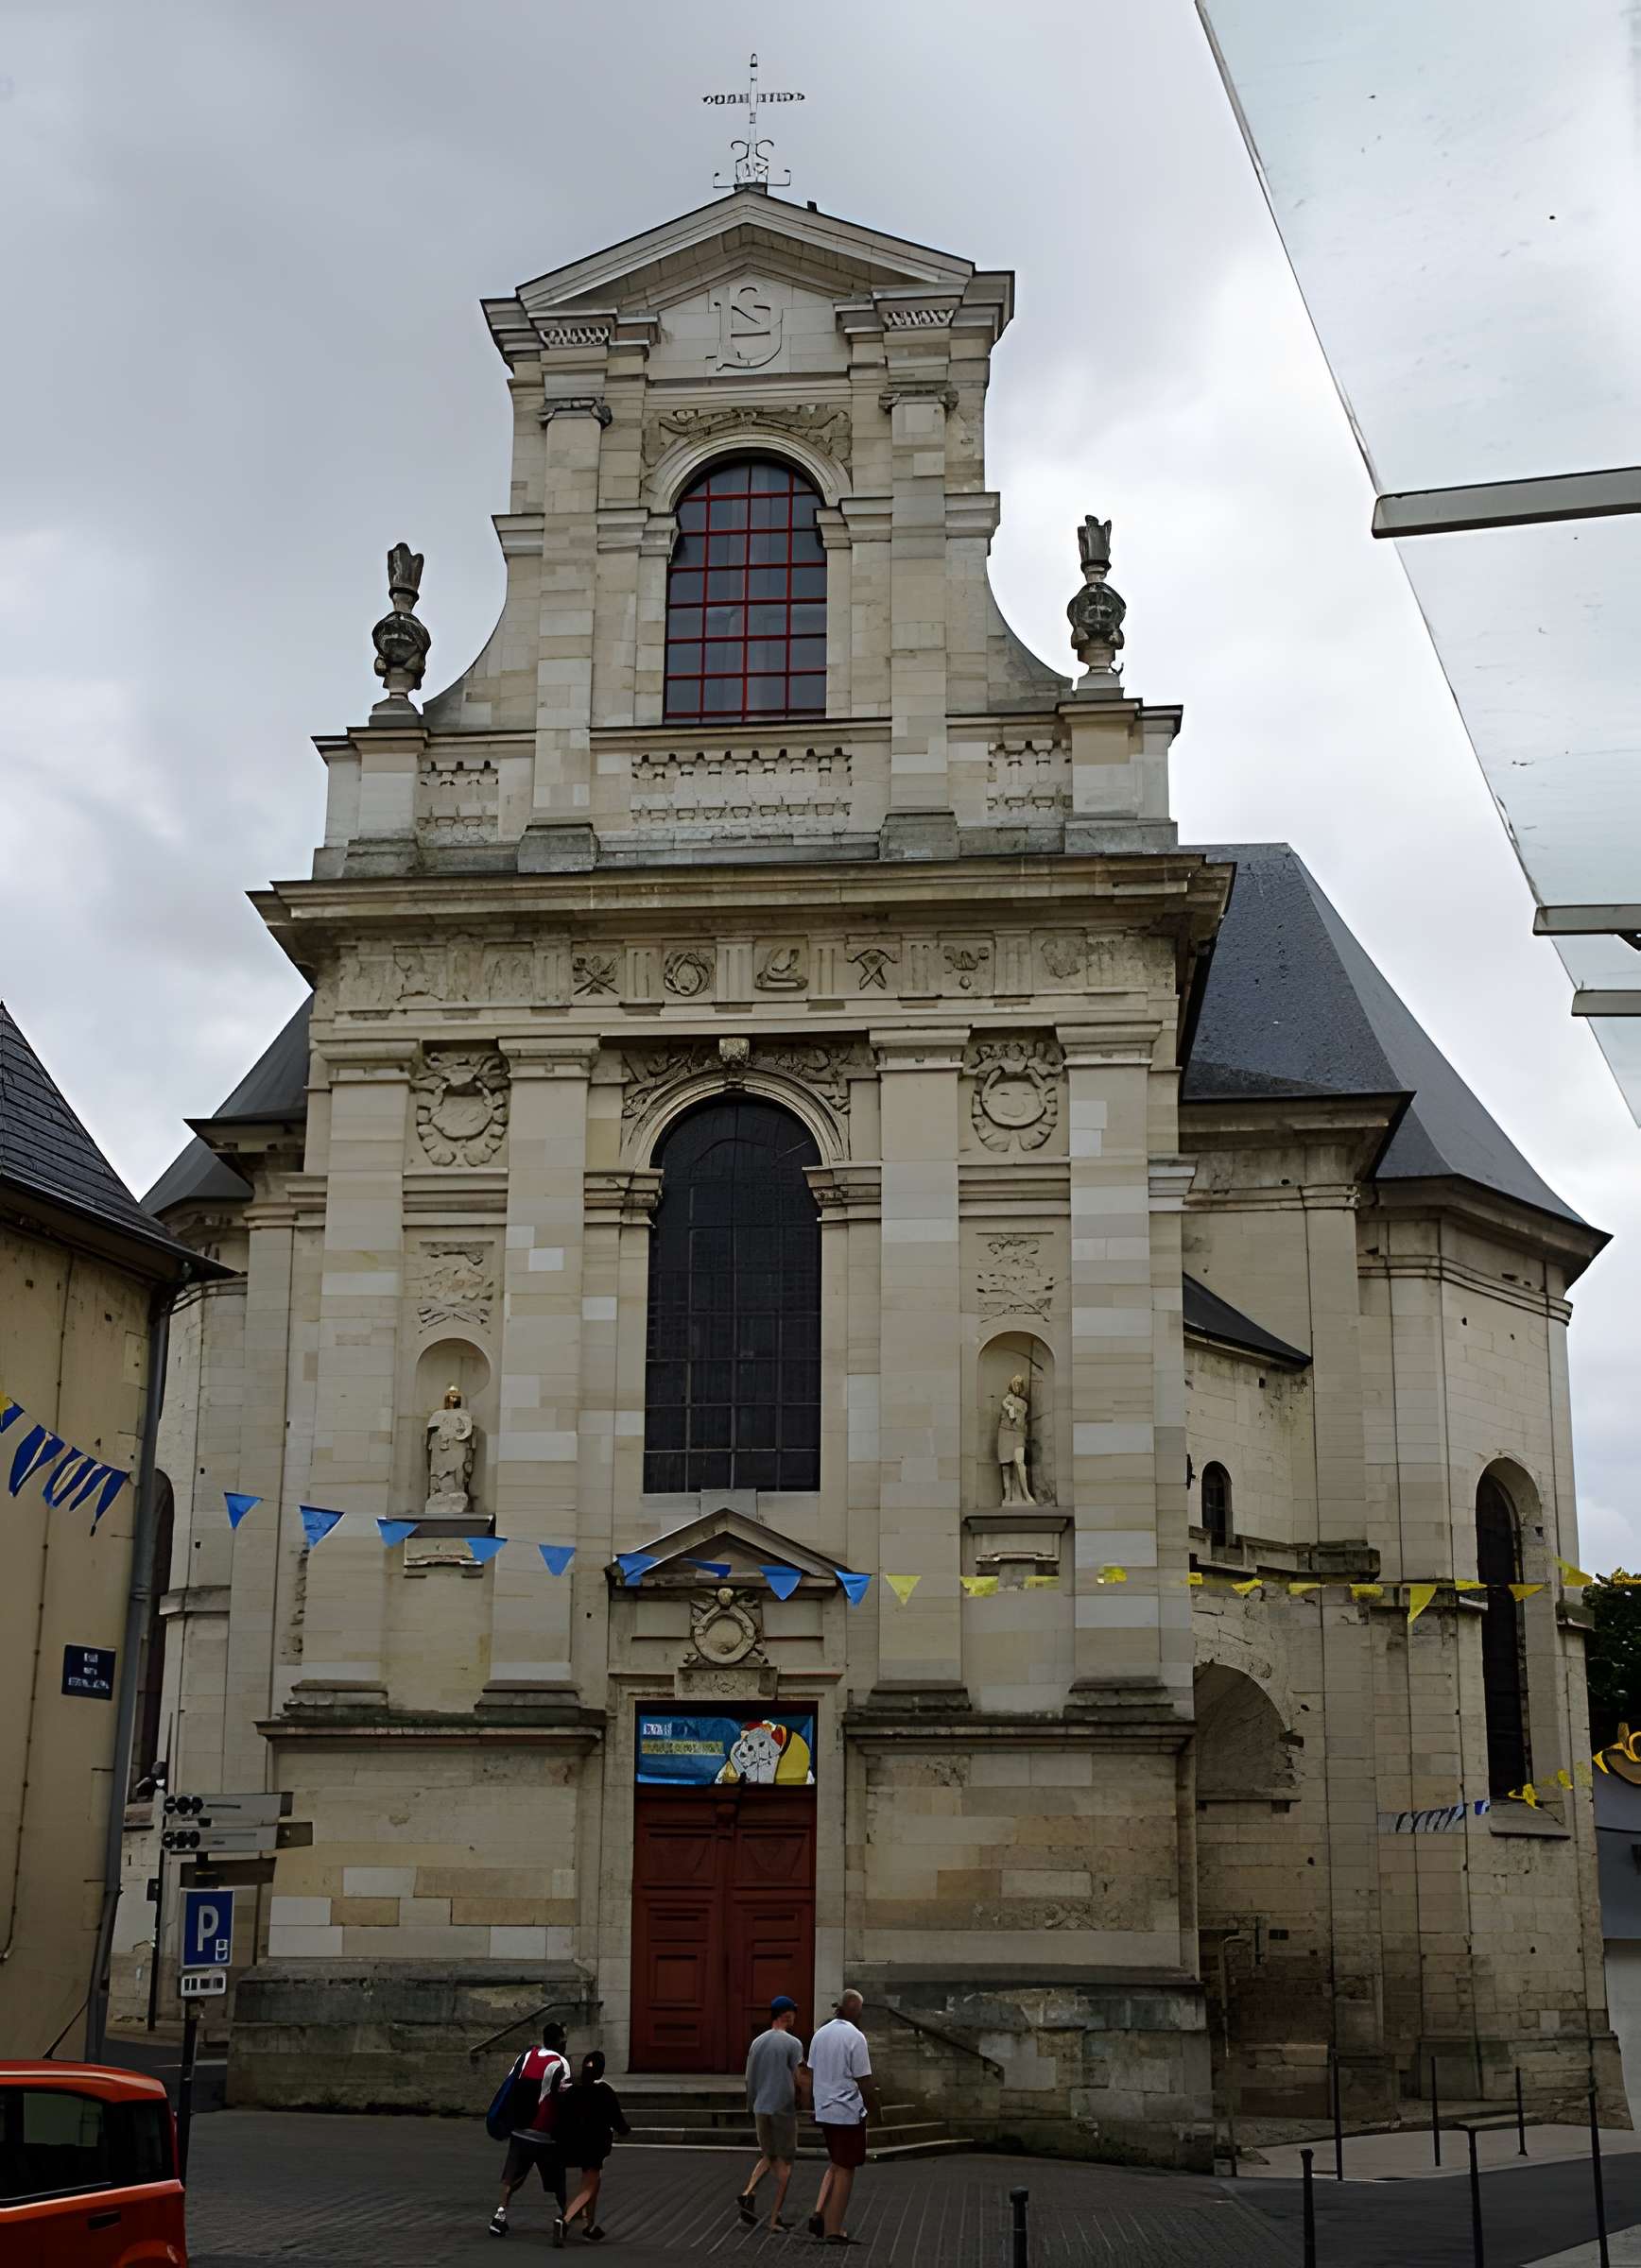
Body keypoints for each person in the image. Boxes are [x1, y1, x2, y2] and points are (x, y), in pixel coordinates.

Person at [805, 1989, 879, 2246]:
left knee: (837, 2163)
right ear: (854, 2009)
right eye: (860, 2009)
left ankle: (822, 2217)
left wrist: (812, 2103)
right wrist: (875, 2109)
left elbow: (811, 2073)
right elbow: (864, 2080)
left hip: (825, 2109)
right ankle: (834, 2229)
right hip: (847, 2112)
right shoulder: (855, 2037)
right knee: (846, 2169)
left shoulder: (819, 2035)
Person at [489, 2021, 570, 2241]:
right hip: (545, 2132)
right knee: (557, 2181)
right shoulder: (560, 2063)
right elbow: (563, 2097)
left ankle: (499, 2216)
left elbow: (511, 2083)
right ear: (560, 2041)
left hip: (519, 2128)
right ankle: (565, 2217)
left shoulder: (525, 2056)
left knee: (512, 2176)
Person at [736, 1994, 809, 2231]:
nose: (795, 2016)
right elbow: (798, 2078)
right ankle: (774, 2218)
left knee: (768, 2154)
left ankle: (748, 2192)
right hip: (782, 2108)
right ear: (786, 2015)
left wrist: (751, 2104)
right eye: (793, 2012)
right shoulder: (793, 2044)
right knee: (785, 2162)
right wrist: (806, 2099)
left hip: (760, 2106)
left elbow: (749, 2077)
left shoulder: (757, 2042)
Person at [556, 2051, 630, 2246]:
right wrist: (625, 2130)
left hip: (574, 2144)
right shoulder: (604, 2092)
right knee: (590, 2186)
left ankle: (589, 2224)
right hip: (595, 2146)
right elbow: (618, 2121)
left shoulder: (573, 2091)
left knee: (593, 2183)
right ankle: (564, 2220)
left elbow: (561, 2115)